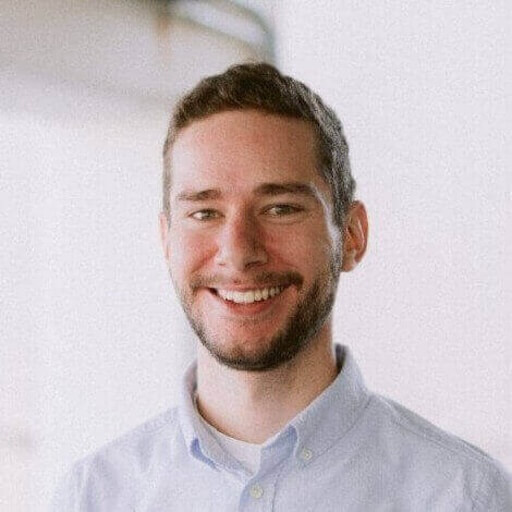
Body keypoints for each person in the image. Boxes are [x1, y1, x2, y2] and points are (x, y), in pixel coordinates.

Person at [51, 63, 511, 511]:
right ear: (166, 240)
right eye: (204, 213)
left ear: (352, 236)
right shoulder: (92, 497)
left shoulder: (465, 497)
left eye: (280, 209)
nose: (238, 251)